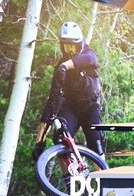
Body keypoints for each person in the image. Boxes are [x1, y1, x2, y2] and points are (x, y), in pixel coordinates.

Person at [32, 21, 104, 160]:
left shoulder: (89, 55)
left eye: (74, 46)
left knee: (96, 143)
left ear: (80, 44)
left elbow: (84, 60)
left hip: (90, 106)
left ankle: (102, 173)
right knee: (60, 141)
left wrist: (65, 66)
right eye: (67, 47)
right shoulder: (60, 67)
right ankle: (70, 173)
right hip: (70, 107)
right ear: (62, 46)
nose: (71, 51)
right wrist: (39, 141)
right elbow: (52, 101)